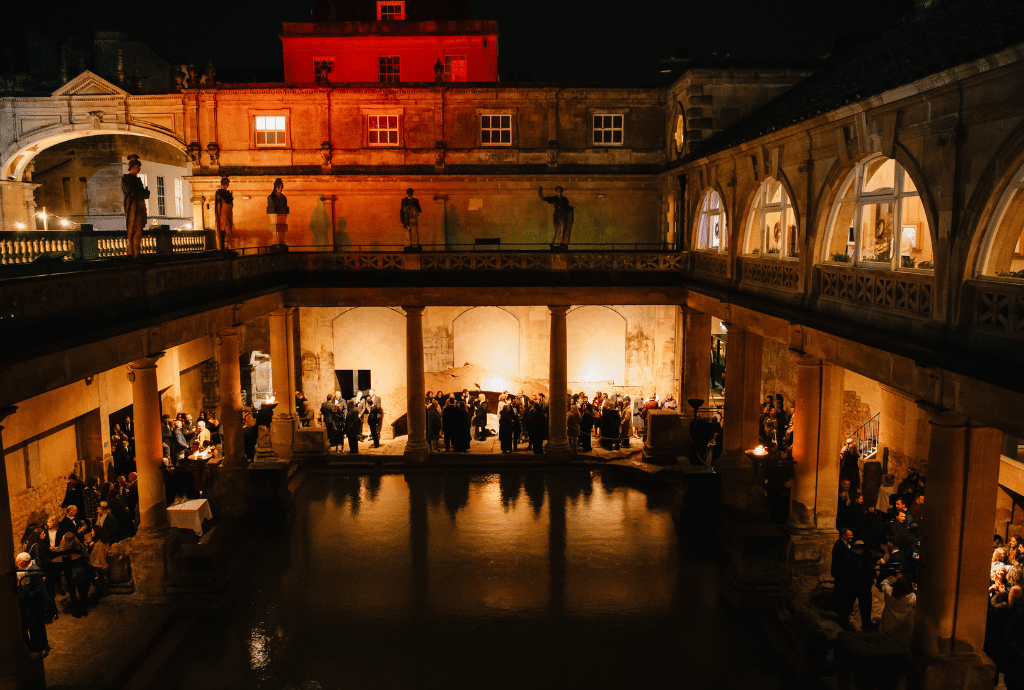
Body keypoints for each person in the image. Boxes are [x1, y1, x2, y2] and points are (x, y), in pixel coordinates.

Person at [15, 552, 54, 656]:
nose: (16, 564)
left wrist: (24, 590)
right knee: (30, 626)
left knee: (37, 626)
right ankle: (32, 647)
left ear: (23, 562)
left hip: (36, 604)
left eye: (17, 562)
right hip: (29, 605)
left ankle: (42, 647)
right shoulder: (26, 569)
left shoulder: (34, 571)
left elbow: (39, 590)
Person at [122, 155, 150, 259]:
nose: (139, 169)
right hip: (132, 207)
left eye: (139, 167)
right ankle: (131, 252)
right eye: (138, 167)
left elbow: (142, 193)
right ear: (132, 167)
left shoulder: (138, 181)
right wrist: (142, 193)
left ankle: (137, 252)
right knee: (132, 230)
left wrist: (145, 193)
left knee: (139, 230)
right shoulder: (126, 179)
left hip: (140, 207)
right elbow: (131, 192)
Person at [879, 574, 916, 642]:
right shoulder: (912, 598)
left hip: (888, 627)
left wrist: (891, 579)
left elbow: (883, 583)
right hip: (903, 629)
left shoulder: (889, 593)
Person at [266, 178, 290, 246]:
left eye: (281, 187)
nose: (280, 188)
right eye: (278, 186)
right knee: (275, 228)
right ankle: (276, 242)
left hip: (283, 215)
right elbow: (271, 207)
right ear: (275, 187)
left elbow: (284, 205)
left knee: (282, 228)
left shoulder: (283, 197)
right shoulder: (271, 197)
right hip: (275, 215)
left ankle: (281, 241)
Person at [214, 176, 234, 250]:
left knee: (227, 229)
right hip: (222, 213)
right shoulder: (219, 192)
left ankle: (226, 247)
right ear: (224, 184)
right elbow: (224, 202)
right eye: (227, 184)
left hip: (227, 213)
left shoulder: (226, 192)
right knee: (223, 230)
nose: (228, 186)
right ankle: (223, 248)